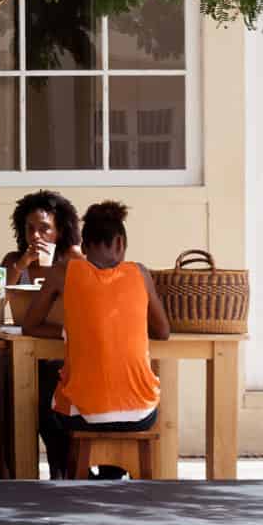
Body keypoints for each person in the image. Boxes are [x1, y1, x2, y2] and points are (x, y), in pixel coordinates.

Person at [21, 201, 171, 479]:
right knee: (114, 403)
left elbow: (30, 325)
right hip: (142, 412)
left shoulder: (64, 271)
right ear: (121, 243)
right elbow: (163, 332)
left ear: (84, 247)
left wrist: (68, 331)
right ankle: (110, 475)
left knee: (45, 403)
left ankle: (69, 474)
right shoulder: (140, 273)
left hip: (83, 415)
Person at [0, 190, 82, 474]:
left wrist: (50, 268)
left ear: (60, 229)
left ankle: (61, 467)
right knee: (3, 388)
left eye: (45, 228)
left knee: (47, 394)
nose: (36, 235)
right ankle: (13, 469)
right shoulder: (14, 259)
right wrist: (21, 265)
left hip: (61, 350)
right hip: (24, 348)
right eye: (30, 228)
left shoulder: (72, 258)